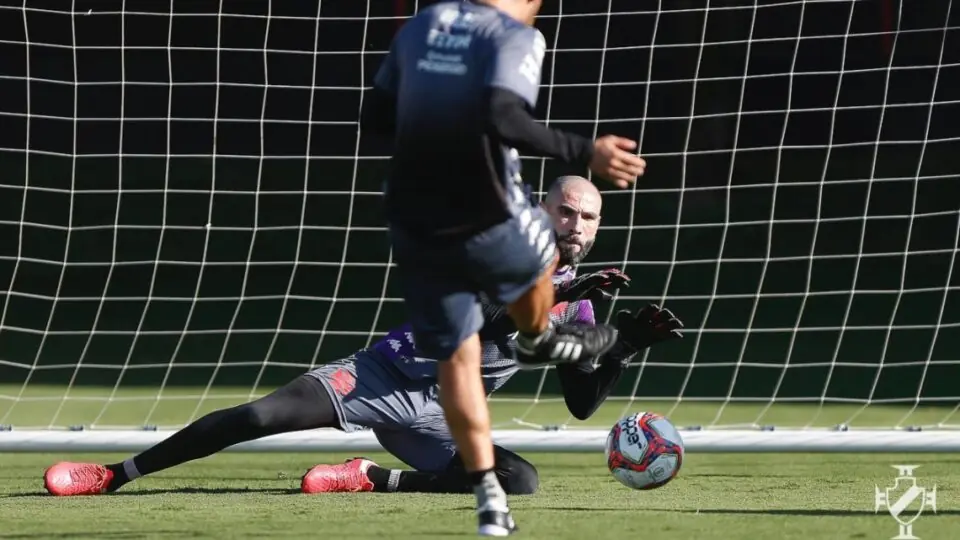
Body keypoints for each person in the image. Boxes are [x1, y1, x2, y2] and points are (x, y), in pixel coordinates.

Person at [42, 177, 682, 510]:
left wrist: (625, 346)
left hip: (444, 416)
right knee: (258, 417)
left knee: (520, 480)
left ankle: (372, 479)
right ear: (542, 210)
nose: (576, 224)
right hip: (385, 376)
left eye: (588, 217)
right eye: (566, 210)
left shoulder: (584, 298)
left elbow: (580, 402)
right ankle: (114, 474)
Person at [360, 0, 648, 534]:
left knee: (461, 362)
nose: (577, 224)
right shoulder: (514, 36)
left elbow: (374, 117)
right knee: (544, 250)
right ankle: (538, 337)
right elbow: (503, 116)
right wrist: (584, 150)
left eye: (589, 216)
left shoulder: (422, 27)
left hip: (415, 216)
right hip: (482, 217)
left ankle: (489, 501)